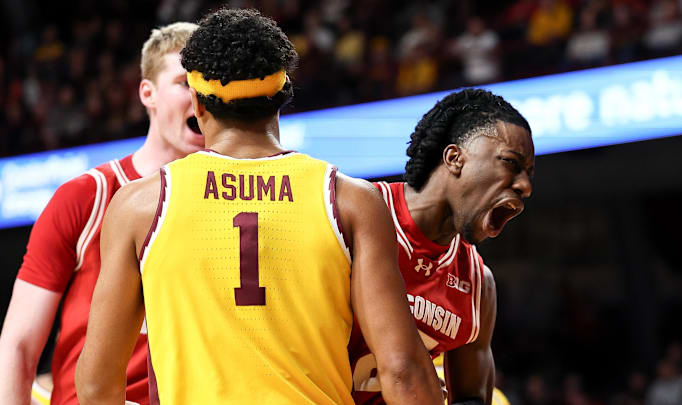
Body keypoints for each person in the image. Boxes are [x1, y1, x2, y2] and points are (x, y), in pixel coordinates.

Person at [74, 9, 443, 405]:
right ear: (283, 97)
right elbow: (402, 369)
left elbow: (97, 385)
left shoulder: (139, 205)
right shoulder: (351, 200)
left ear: (197, 104)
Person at [0, 22, 202, 405]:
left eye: (207, 84)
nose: (198, 96)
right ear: (148, 93)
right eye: (182, 83)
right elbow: (20, 345)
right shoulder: (87, 195)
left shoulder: (234, 200)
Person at [350, 88, 534, 405]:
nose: (524, 187)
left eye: (527, 174)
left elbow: (471, 399)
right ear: (454, 158)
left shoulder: (478, 283)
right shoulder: (354, 214)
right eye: (509, 163)